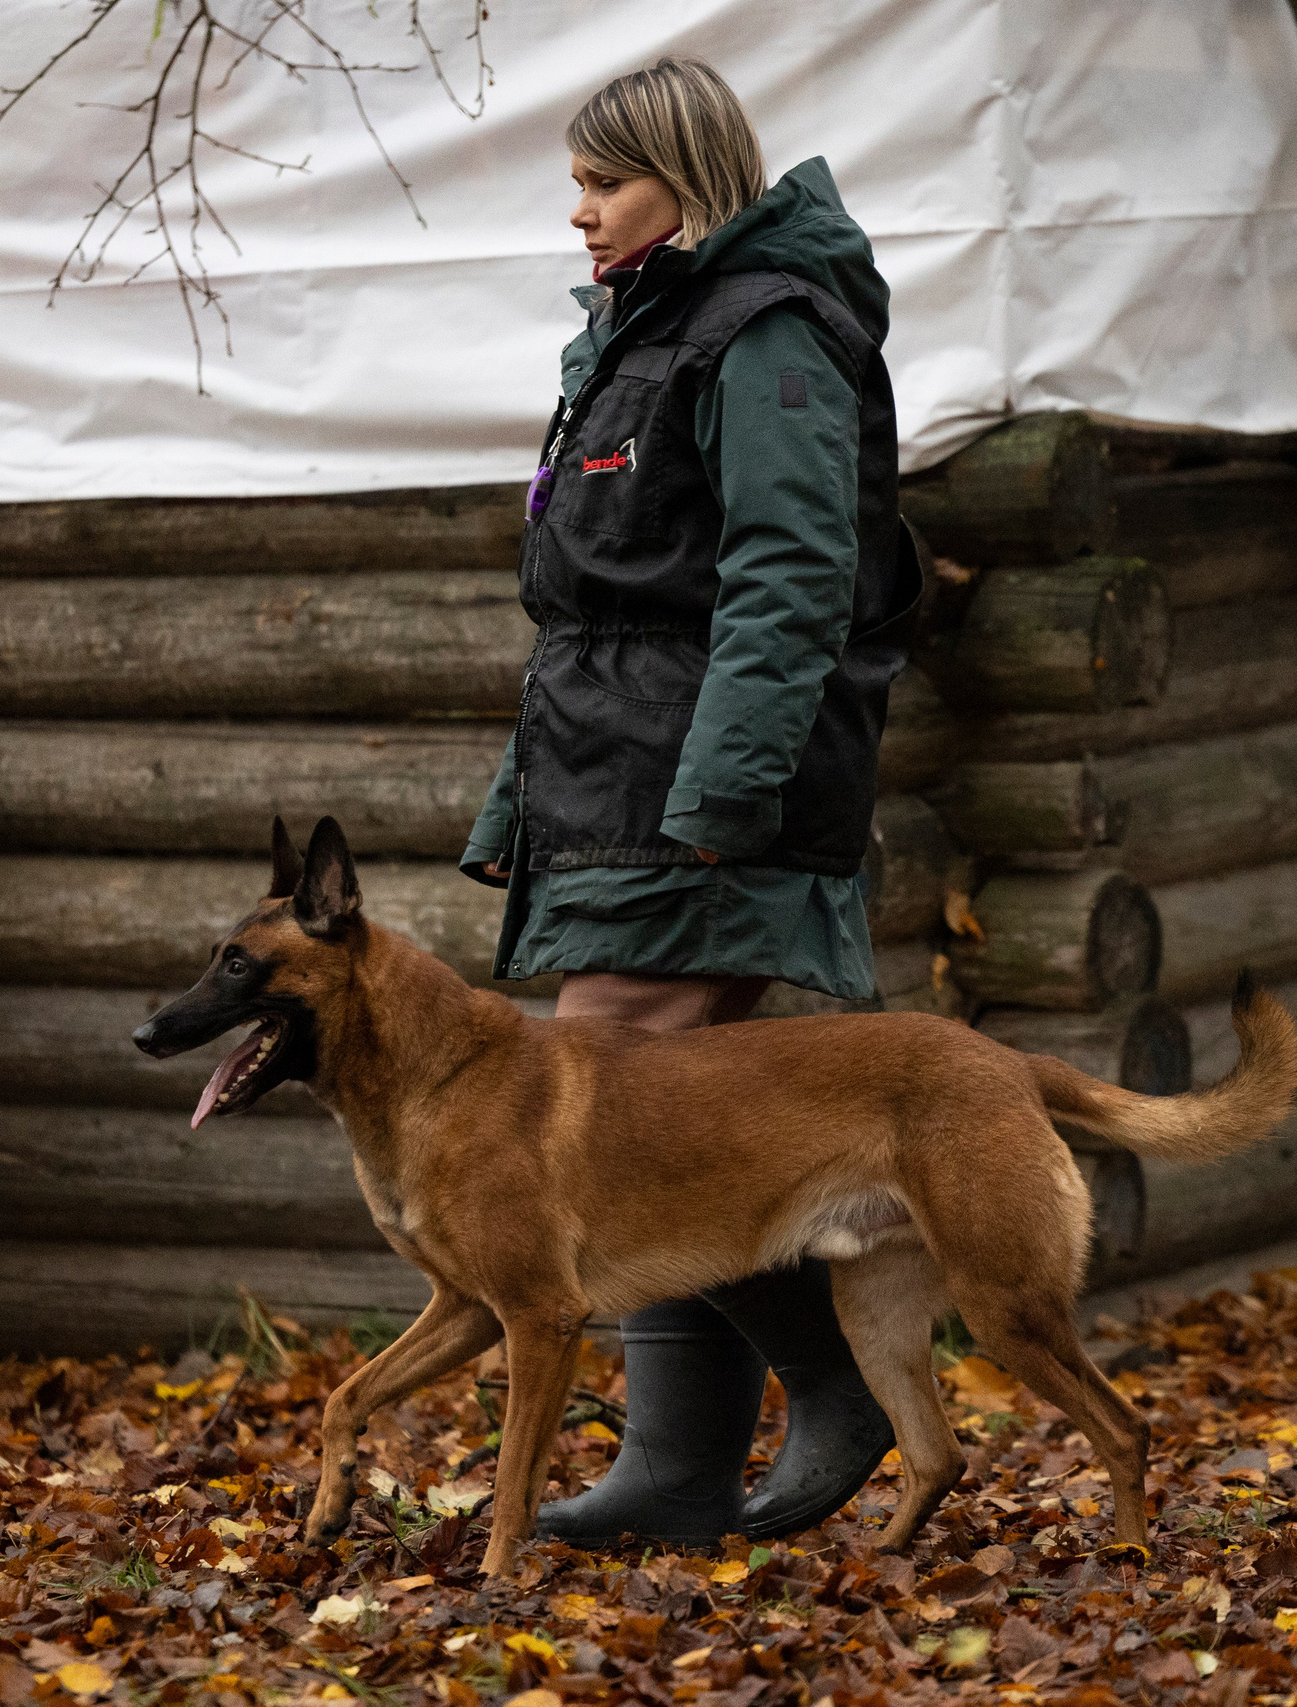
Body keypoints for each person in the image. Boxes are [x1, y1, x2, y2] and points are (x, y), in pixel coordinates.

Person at [458, 56, 920, 1546]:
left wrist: (721, 792)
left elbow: (794, 579)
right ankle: (683, 1467)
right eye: (579, 184)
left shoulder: (767, 334)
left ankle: (821, 1397)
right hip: (619, 784)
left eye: (605, 185)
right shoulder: (638, 333)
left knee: (601, 1132)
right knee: (647, 1132)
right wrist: (519, 802)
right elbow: (600, 613)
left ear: (690, 182)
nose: (576, 214)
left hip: (701, 802)